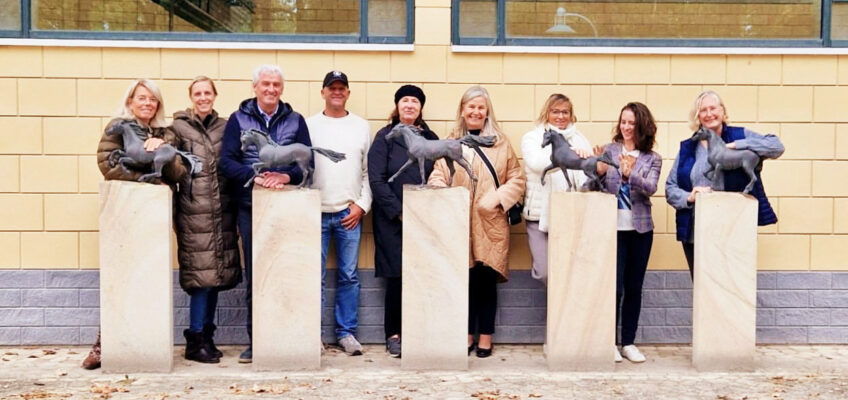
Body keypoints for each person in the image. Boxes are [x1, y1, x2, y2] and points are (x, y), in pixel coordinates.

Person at [85, 79, 188, 369]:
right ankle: (105, 343)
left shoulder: (166, 133)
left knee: (147, 278)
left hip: (153, 217)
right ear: (131, 101)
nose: (146, 103)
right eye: (141, 98)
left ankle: (146, 345)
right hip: (124, 212)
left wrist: (163, 150)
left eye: (152, 99)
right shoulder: (116, 128)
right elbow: (107, 165)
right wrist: (146, 179)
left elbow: (179, 171)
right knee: (121, 277)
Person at [219, 64, 312, 363]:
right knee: (258, 273)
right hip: (250, 206)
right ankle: (256, 341)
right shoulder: (238, 119)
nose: (271, 89)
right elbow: (227, 162)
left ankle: (287, 337)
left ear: (282, 89)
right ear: (255, 87)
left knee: (287, 272)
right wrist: (254, 176)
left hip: (288, 208)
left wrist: (287, 177)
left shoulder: (296, 121)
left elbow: (306, 165)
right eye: (265, 84)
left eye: (276, 84)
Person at [427, 85, 526, 358]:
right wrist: (438, 190)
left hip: (490, 221)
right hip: (459, 223)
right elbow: (438, 173)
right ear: (462, 110)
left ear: (487, 112)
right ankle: (466, 335)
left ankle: (485, 338)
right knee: (464, 282)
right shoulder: (451, 142)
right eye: (471, 106)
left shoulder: (501, 143)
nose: (475, 111)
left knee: (485, 283)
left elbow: (517, 178)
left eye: (480, 107)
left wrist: (497, 197)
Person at [665, 90, 784, 276]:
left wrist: (737, 145)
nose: (709, 113)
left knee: (732, 286)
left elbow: (776, 146)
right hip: (696, 230)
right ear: (698, 117)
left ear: (722, 111)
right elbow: (670, 187)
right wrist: (689, 196)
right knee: (702, 288)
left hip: (733, 227)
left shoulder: (740, 135)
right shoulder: (688, 148)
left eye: (713, 108)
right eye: (703, 110)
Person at [170, 76, 242, 363]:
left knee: (214, 279)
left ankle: (206, 338)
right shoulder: (177, 127)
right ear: (191, 97)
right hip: (193, 212)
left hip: (222, 210)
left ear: (214, 95)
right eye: (197, 93)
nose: (203, 97)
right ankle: (195, 339)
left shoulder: (226, 127)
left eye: (207, 92)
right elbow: (170, 162)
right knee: (201, 280)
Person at [367, 84, 438, 358]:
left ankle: (420, 331)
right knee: (396, 278)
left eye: (415, 102)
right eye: (405, 101)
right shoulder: (385, 136)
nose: (409, 105)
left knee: (423, 275)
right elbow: (376, 179)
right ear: (397, 106)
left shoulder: (430, 136)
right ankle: (394, 334)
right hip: (392, 220)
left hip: (425, 220)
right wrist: (398, 210)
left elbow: (438, 171)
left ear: (421, 108)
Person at [306, 71, 372, 356]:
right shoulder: (308, 126)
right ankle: (313, 335)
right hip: (315, 212)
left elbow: (368, 172)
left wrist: (361, 205)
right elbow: (301, 168)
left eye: (341, 88)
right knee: (313, 276)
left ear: (347, 92)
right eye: (331, 88)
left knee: (348, 276)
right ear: (322, 92)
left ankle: (346, 333)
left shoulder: (361, 126)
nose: (336, 92)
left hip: (349, 214)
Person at [593, 102, 662, 364]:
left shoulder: (652, 158)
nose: (626, 127)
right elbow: (592, 185)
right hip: (612, 229)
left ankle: (629, 342)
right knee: (614, 288)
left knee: (634, 287)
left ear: (642, 125)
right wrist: (598, 171)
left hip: (640, 230)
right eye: (623, 121)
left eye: (632, 122)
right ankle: (608, 342)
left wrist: (631, 173)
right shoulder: (609, 150)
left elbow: (651, 188)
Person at [520, 93, 592, 285]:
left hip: (571, 215)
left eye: (565, 112)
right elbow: (536, 164)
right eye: (555, 111)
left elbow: (586, 176)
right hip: (539, 216)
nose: (560, 116)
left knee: (570, 273)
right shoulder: (532, 137)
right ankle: (556, 314)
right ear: (547, 113)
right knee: (546, 273)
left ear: (571, 115)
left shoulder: (580, 139)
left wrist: (586, 162)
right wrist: (570, 155)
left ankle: (563, 315)